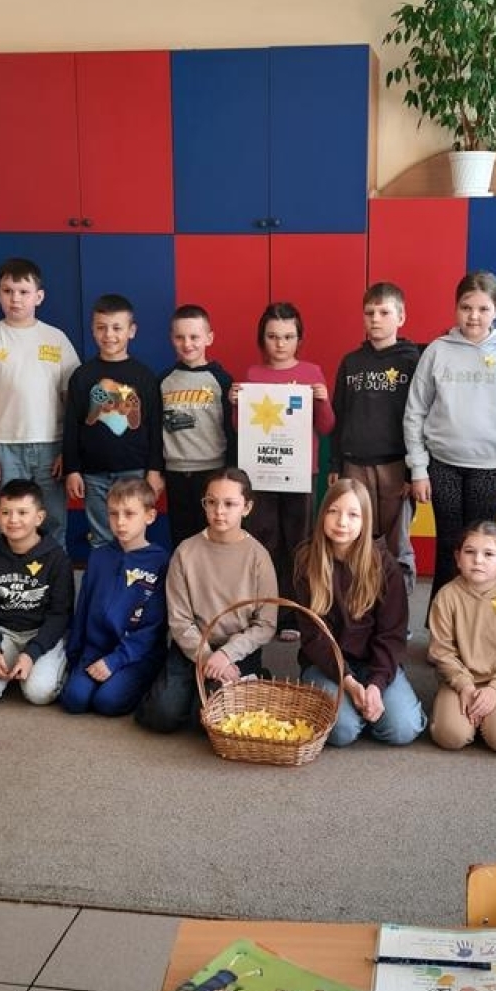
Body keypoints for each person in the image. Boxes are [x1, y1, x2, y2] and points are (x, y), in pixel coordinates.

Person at [404, 270, 496, 600]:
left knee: (482, 551)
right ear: (455, 308)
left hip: (491, 469)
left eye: (483, 309)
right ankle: (442, 621)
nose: (473, 316)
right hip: (443, 466)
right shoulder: (437, 351)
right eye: (466, 307)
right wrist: (418, 469)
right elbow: (415, 411)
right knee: (449, 546)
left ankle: (478, 621)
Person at [135, 468, 277, 734]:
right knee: (162, 715)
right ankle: (185, 686)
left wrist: (226, 655)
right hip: (193, 645)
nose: (219, 511)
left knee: (208, 721)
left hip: (238, 648)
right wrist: (207, 657)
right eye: (211, 502)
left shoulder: (259, 557)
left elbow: (266, 625)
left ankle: (257, 676)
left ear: (246, 508)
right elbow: (179, 621)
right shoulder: (185, 552)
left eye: (229, 504)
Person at [293, 478, 425, 746]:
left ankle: (367, 708)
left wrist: (376, 684)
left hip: (375, 663)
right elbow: (314, 637)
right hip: (327, 665)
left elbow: (392, 635)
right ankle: (354, 711)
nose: (342, 522)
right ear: (322, 515)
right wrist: (349, 683)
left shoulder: (385, 566)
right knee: (342, 732)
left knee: (402, 729)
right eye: (333, 511)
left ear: (366, 520)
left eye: (353, 515)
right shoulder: (307, 561)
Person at [0, 257, 80, 549]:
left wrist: (69, 450)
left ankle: (53, 578)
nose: (15, 299)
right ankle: (11, 577)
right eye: (8, 291)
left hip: (52, 447)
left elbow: (73, 401)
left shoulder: (56, 339)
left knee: (52, 521)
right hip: (3, 450)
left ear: (39, 296)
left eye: (24, 292)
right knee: (8, 524)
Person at [234, 302, 334, 639]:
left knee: (299, 543)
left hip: (301, 472)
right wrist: (235, 404)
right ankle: (264, 612)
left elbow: (326, 426)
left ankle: (293, 616)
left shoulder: (312, 372)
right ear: (262, 339)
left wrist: (322, 400)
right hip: (260, 472)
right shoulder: (253, 375)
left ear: (299, 339)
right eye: (273, 336)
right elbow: (240, 428)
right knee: (263, 542)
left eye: (288, 336)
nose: (280, 343)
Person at [330, 281, 421, 597]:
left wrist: (413, 471)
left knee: (397, 543)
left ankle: (399, 609)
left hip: (396, 466)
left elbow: (422, 418)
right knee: (356, 538)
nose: (375, 319)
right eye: (369, 313)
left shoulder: (413, 361)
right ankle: (360, 604)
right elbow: (339, 415)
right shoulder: (351, 362)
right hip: (354, 465)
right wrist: (335, 463)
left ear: (401, 317)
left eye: (384, 312)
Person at [58, 478, 169, 716]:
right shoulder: (98, 557)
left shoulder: (160, 562)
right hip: (95, 649)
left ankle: (145, 679)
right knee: (74, 700)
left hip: (136, 654)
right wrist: (74, 656)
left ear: (150, 516)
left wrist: (115, 661)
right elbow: (83, 608)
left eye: (129, 514)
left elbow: (155, 626)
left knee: (107, 702)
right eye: (113, 514)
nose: (120, 522)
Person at [63, 293, 165, 550]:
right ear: (93, 330)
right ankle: (104, 577)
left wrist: (154, 470)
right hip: (93, 473)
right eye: (101, 327)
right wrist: (72, 469)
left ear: (132, 331)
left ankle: (132, 577)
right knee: (100, 538)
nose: (109, 335)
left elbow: (155, 427)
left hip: (134, 470)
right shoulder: (82, 376)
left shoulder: (144, 376)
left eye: (117, 328)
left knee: (132, 536)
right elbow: (72, 425)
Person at [0, 478, 73, 706]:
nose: (13, 520)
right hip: (4, 633)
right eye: (6, 512)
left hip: (42, 633)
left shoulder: (57, 559)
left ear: (39, 517)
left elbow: (60, 614)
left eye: (22, 512)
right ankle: (8, 662)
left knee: (39, 694)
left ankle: (55, 661)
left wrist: (32, 653)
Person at [427, 520, 496, 753]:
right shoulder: (446, 596)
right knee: (451, 736)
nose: (477, 560)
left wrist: (495, 689)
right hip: (458, 680)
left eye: (488, 554)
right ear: (458, 558)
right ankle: (457, 713)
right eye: (470, 552)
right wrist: (465, 686)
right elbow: (442, 651)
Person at [160, 304, 235, 548]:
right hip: (175, 473)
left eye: (194, 337)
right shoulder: (163, 381)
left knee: (212, 535)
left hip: (212, 470)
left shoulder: (222, 380)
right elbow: (154, 431)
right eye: (180, 337)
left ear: (209, 338)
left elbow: (231, 429)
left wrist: (231, 470)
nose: (187, 344)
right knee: (181, 537)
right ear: (171, 338)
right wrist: (156, 470)